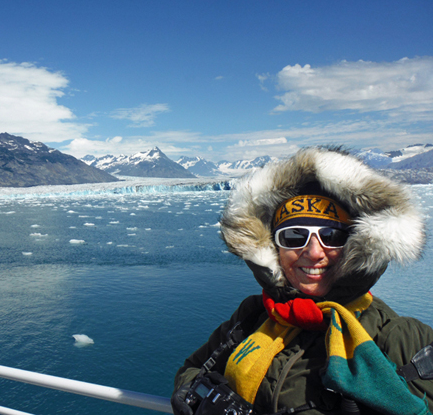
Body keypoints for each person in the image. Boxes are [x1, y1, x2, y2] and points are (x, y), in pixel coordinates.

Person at [172, 146, 433, 415]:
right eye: (294, 237)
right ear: (272, 248)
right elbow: (193, 368)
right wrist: (196, 396)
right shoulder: (253, 315)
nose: (313, 253)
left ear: (360, 246)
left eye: (331, 236)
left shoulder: (399, 337)